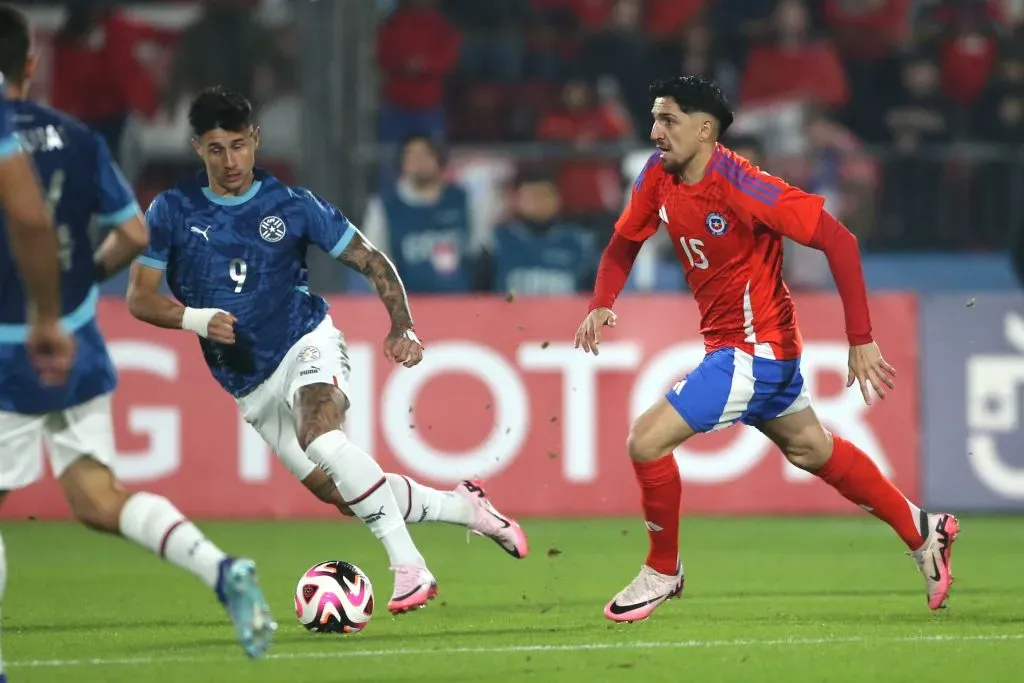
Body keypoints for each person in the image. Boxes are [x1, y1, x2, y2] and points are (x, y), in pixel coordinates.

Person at [126, 86, 529, 615]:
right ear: (197, 146)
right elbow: (139, 298)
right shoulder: (171, 212)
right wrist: (196, 319)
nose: (231, 161)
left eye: (240, 145)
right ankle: (466, 508)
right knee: (342, 494)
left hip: (305, 340)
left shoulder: (292, 205)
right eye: (217, 148)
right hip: (248, 385)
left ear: (256, 140)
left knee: (321, 436)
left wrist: (401, 325)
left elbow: (371, 260)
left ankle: (410, 569)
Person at [574, 76, 958, 623]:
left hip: (755, 352)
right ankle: (925, 530)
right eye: (655, 119)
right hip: (747, 349)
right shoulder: (657, 177)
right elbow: (623, 242)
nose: (655, 132)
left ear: (705, 129)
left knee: (646, 441)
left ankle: (662, 569)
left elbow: (839, 241)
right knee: (812, 451)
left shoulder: (746, 186)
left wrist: (860, 339)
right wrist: (601, 300)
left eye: (668, 121)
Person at [0, 5, 275, 664]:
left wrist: (41, 315)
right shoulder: (79, 138)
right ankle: (219, 568)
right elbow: (132, 233)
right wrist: (74, 292)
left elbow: (31, 222)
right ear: (32, 65)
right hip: (78, 337)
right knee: (95, 496)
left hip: (17, 341)